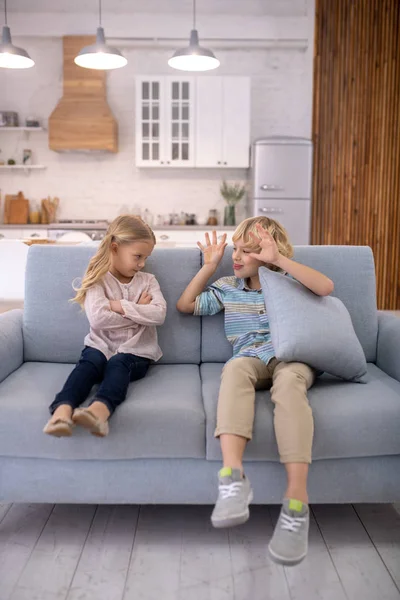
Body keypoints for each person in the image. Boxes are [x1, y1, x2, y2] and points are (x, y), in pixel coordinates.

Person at [176, 216, 334, 566]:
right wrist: (209, 266)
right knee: (233, 370)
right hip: (249, 358)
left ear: (268, 253)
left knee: (290, 386)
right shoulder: (229, 286)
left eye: (249, 251)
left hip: (291, 358)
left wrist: (279, 260)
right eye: (237, 249)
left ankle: (296, 501)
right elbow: (186, 306)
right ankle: (233, 479)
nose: (239, 256)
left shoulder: (289, 280)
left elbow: (325, 287)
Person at [43, 214, 166, 438]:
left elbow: (159, 314)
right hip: (99, 346)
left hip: (136, 353)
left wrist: (119, 305)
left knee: (119, 363)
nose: (141, 264)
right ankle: (62, 411)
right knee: (88, 364)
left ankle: (98, 413)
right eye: (137, 256)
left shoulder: (148, 281)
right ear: (115, 248)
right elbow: (98, 319)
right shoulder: (97, 279)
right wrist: (138, 310)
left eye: (146, 258)